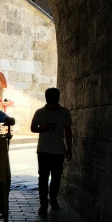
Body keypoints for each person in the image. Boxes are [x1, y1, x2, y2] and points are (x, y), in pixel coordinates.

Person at [30, 87, 72, 215]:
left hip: (58, 150)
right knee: (43, 177)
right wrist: (43, 128)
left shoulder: (65, 113)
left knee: (56, 177)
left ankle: (53, 199)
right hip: (43, 150)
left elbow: (68, 131)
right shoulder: (40, 112)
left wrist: (69, 148)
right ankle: (44, 203)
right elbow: (33, 128)